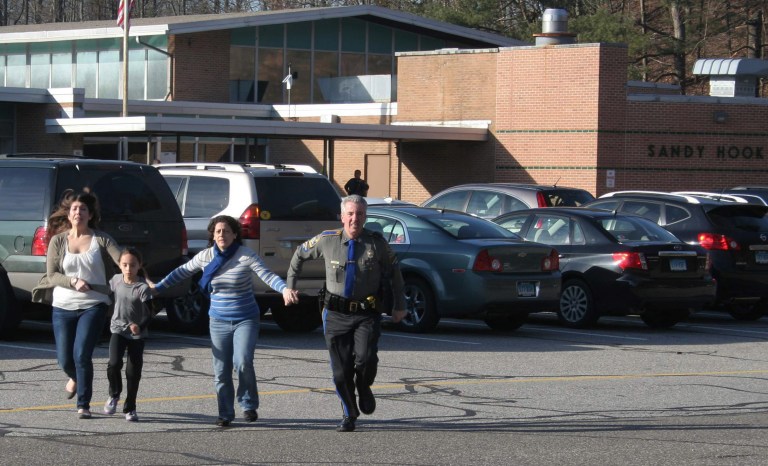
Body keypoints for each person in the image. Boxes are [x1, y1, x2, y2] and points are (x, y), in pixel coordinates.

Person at [151, 215, 298, 427]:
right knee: (221, 370)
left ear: (235, 234)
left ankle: (248, 404)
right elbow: (182, 272)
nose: (222, 235)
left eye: (227, 231)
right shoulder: (205, 257)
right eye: (218, 231)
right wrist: (158, 288)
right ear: (213, 234)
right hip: (218, 320)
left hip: (245, 318)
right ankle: (225, 413)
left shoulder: (245, 255)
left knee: (243, 362)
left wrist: (284, 289)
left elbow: (267, 275)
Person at [286, 194, 406, 432]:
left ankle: (363, 386)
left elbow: (395, 274)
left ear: (365, 216)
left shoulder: (376, 243)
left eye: (360, 214)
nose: (355, 219)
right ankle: (349, 413)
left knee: (365, 359)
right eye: (350, 214)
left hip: (366, 313)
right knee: (340, 372)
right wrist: (290, 286)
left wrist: (399, 305)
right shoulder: (327, 240)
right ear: (342, 216)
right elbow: (299, 254)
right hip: (335, 314)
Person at [32, 190, 123, 419]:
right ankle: (74, 377)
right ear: (68, 213)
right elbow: (52, 275)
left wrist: (136, 274)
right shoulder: (58, 240)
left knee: (82, 354)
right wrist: (73, 281)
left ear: (90, 215)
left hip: (94, 304)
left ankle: (84, 404)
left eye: (83, 209)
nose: (78, 212)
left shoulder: (101, 239)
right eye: (74, 209)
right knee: (64, 359)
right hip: (63, 306)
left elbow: (122, 260)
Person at [103, 248, 155, 422]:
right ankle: (114, 395)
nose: (128, 269)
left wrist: (139, 326)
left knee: (133, 371)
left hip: (136, 335)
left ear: (139, 266)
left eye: (132, 265)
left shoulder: (142, 288)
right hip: (118, 328)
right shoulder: (116, 281)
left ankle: (130, 406)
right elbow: (104, 295)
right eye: (124, 265)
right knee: (114, 363)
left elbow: (150, 312)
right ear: (119, 265)